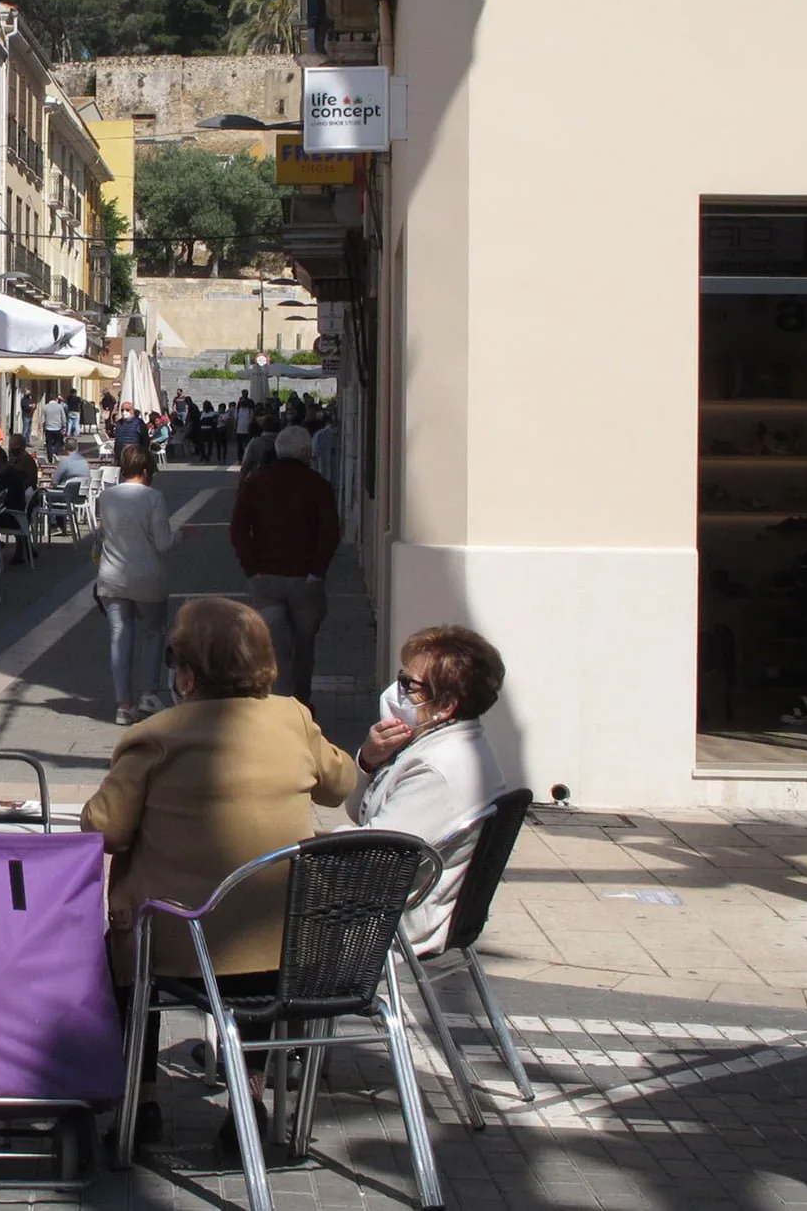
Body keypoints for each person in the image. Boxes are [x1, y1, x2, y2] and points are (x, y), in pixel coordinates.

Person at [81, 597, 356, 1150]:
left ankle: (145, 1099)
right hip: (280, 938)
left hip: (181, 941)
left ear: (185, 672)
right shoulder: (293, 718)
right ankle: (248, 1097)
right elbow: (340, 785)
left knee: (123, 953)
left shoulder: (157, 734)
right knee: (253, 938)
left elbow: (105, 830)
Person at [350, 625, 510, 956]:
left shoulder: (438, 767)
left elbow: (371, 854)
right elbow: (360, 812)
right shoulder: (442, 744)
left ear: (446, 704)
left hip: (390, 921)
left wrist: (296, 848)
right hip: (401, 905)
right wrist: (369, 761)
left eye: (409, 684)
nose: (397, 691)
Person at [230, 425, 341, 702]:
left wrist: (251, 569)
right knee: (304, 648)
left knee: (273, 648)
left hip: (265, 578)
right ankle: (301, 704)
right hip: (305, 578)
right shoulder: (317, 484)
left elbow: (238, 529)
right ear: (305, 451)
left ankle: (277, 702)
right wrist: (318, 571)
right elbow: (330, 532)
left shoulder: (255, 483)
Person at [96, 444, 180, 723]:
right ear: (146, 470)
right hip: (147, 576)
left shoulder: (106, 496)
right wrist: (180, 535)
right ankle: (148, 693)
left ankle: (123, 704)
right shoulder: (153, 498)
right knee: (153, 632)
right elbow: (163, 542)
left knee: (119, 637)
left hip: (111, 575)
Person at [37, 391, 67, 456]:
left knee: (49, 443)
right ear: (56, 399)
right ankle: (55, 452)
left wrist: (40, 426)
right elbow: (63, 417)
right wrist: (64, 426)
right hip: (57, 427)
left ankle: (50, 456)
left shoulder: (45, 407)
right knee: (57, 442)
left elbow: (42, 418)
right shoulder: (59, 407)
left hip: (48, 428)